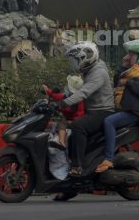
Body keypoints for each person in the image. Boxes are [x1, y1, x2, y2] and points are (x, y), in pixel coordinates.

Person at [49, 41, 115, 180]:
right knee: (66, 124)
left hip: (102, 112)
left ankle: (77, 167)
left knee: (79, 126)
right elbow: (76, 92)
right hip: (93, 111)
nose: (75, 63)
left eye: (77, 59)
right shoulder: (89, 71)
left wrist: (62, 103)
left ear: (86, 57)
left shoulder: (99, 72)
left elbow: (83, 93)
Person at [96, 39, 139, 173]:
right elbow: (118, 82)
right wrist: (123, 67)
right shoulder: (131, 71)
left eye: (132, 54)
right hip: (127, 110)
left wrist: (130, 83)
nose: (128, 57)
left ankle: (108, 158)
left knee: (109, 122)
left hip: (137, 114)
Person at [42, 75, 85, 150]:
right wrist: (47, 90)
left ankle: (61, 142)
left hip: (76, 121)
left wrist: (59, 107)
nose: (66, 86)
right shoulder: (69, 96)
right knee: (61, 120)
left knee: (62, 122)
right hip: (71, 118)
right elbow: (58, 96)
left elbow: (75, 112)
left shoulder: (77, 99)